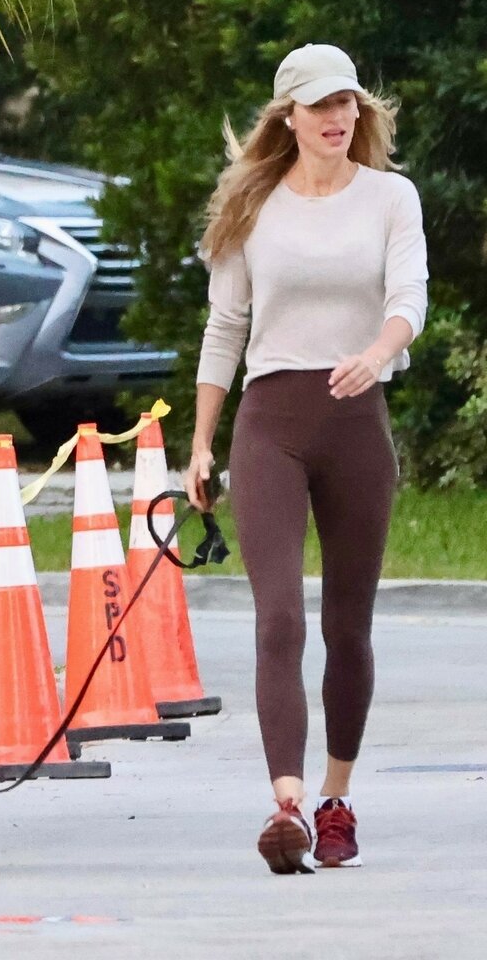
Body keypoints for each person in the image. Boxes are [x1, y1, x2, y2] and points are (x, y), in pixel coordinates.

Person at [185, 43, 428, 874]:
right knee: (279, 619)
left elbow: (408, 299)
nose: (337, 117)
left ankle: (335, 800)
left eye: (347, 102)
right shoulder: (253, 205)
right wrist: (201, 444)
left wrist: (378, 354)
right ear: (287, 117)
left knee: (346, 627)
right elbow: (224, 329)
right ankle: (285, 806)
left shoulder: (390, 198)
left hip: (358, 424)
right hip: (271, 427)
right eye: (320, 104)